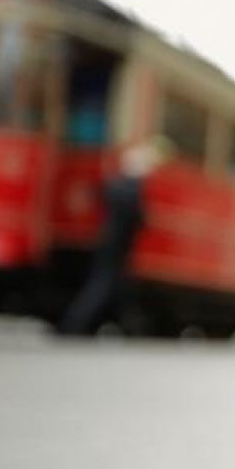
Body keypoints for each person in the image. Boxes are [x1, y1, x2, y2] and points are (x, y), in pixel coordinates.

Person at [57, 138, 169, 336]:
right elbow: (139, 218)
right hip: (118, 246)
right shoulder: (132, 189)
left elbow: (95, 195)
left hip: (108, 241)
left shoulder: (115, 183)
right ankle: (76, 323)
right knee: (102, 285)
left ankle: (126, 326)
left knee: (117, 288)